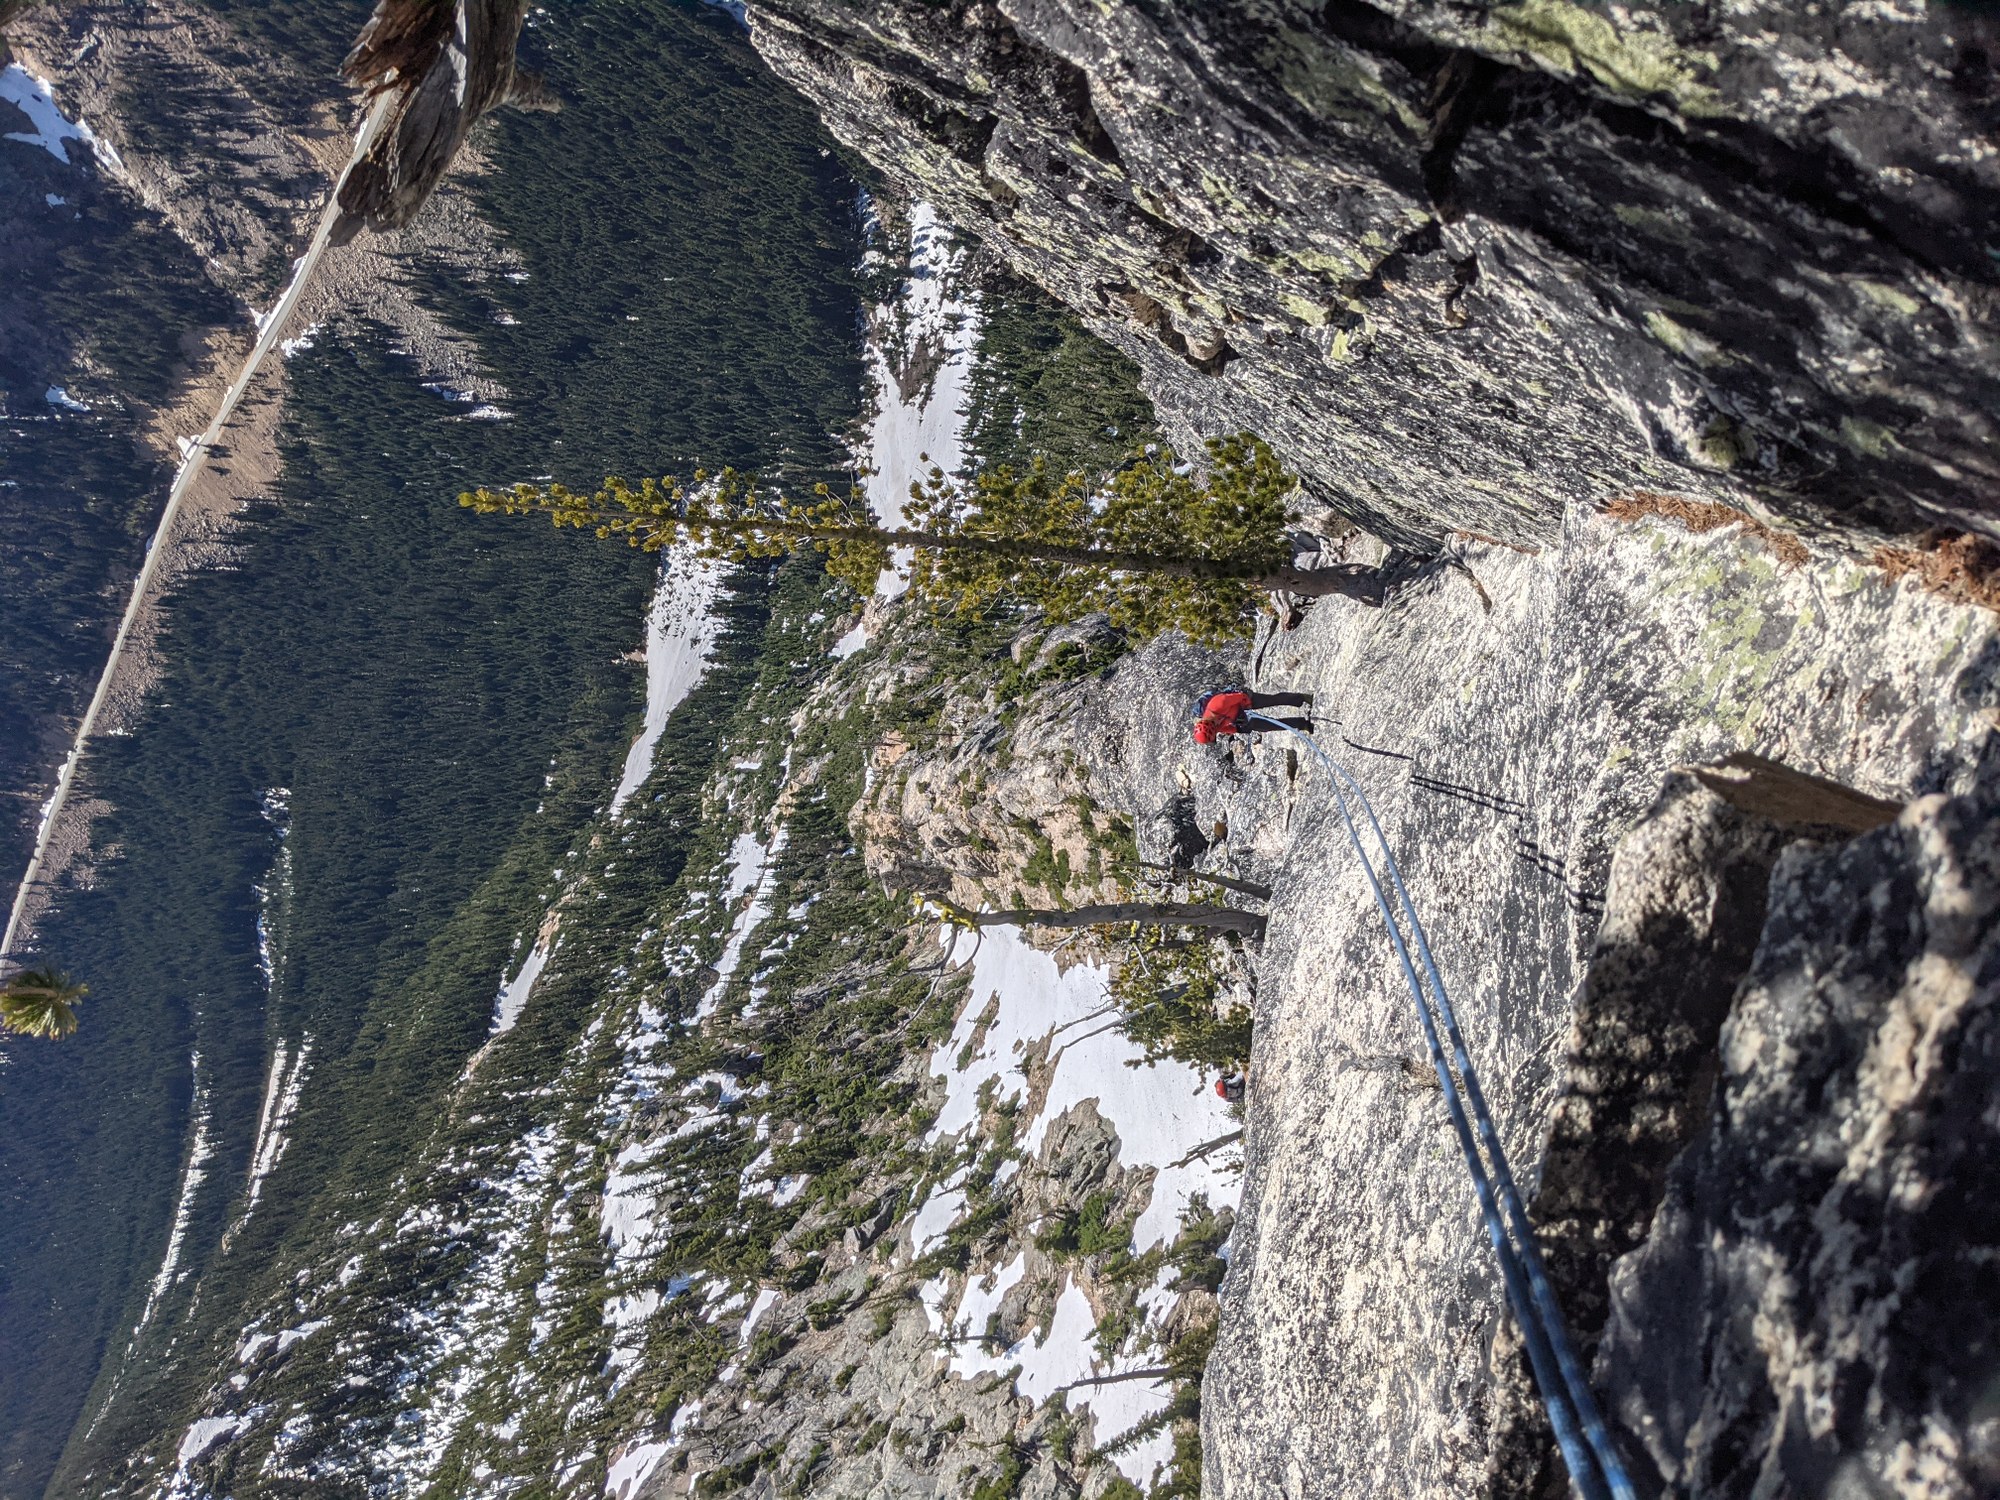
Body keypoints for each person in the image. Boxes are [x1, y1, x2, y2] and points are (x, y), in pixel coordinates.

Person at [1191, 688, 1313, 744]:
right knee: (1270, 726)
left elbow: (1239, 696)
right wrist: (1241, 728)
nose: (1216, 733)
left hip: (1245, 701)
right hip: (1242, 717)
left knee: (1272, 700)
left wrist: (1247, 705)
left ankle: (1301, 698)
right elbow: (1230, 729)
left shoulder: (1217, 704)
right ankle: (1302, 724)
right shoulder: (1216, 727)